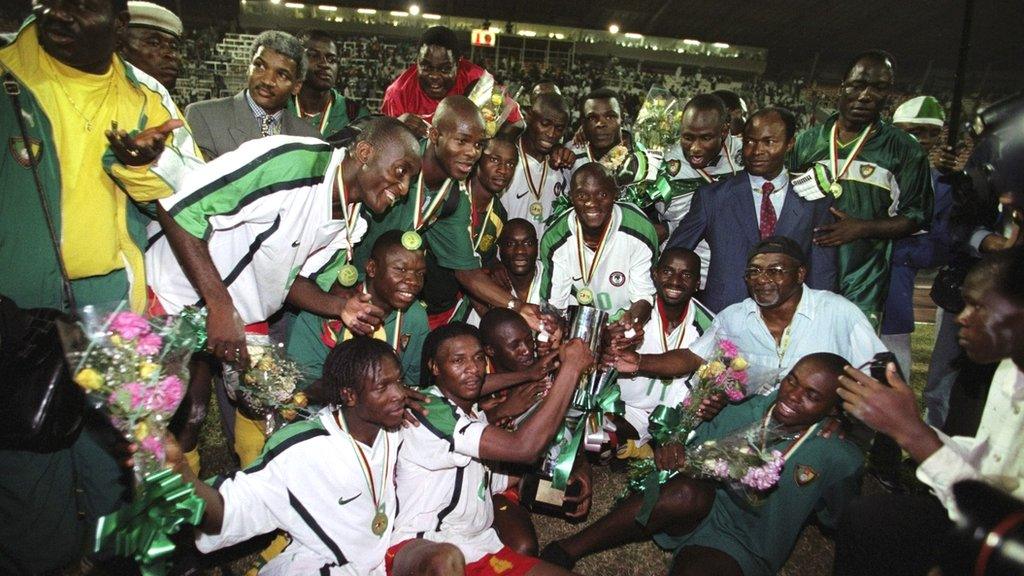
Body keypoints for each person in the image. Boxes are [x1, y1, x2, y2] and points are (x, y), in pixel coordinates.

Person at [0, 0, 200, 571]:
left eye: (80, 3)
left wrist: (143, 164)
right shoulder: (7, 76)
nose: (57, 11)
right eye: (50, 0)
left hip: (115, 305)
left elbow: (185, 199)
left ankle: (116, 562)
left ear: (116, 27)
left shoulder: (146, 98)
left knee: (123, 458)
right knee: (25, 462)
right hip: (14, 311)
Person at [147, 117, 420, 467]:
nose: (403, 187)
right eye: (400, 172)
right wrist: (219, 305)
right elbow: (178, 207)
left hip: (240, 314)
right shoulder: (291, 161)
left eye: (410, 179)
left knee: (268, 401)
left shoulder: (354, 223)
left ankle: (250, 497)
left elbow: (292, 285)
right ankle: (166, 504)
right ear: (365, 152)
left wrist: (340, 307)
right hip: (173, 293)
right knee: (164, 416)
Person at [541, 353, 863, 576]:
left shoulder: (836, 456)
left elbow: (837, 518)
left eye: (812, 395)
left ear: (834, 409)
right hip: (706, 507)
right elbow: (691, 452)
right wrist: (674, 451)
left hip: (745, 544)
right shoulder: (743, 408)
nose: (792, 396)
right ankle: (569, 548)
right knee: (683, 492)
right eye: (792, 381)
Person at [166, 337, 465, 576]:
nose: (398, 393)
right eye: (382, 387)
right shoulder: (302, 448)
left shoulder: (396, 424)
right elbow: (228, 508)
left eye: (399, 382)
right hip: (324, 564)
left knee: (446, 560)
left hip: (384, 554)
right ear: (349, 395)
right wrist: (183, 475)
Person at [834, 246, 1024, 576]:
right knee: (867, 517)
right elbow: (991, 467)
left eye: (978, 305)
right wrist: (905, 423)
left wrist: (912, 433)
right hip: (986, 512)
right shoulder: (1009, 370)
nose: (961, 317)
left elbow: (1006, 520)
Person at [391, 322, 594, 575]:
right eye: (458, 360)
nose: (473, 369)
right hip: (422, 546)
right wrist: (571, 370)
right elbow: (523, 448)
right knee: (446, 560)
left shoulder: (473, 416)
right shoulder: (430, 409)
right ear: (434, 367)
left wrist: (561, 485)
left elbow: (496, 482)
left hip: (480, 549)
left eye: (478, 358)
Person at [351, 95, 551, 333]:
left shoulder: (453, 200)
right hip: (334, 280)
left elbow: (466, 271)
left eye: (478, 145)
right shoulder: (396, 162)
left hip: (377, 296)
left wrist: (517, 307)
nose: (471, 153)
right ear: (435, 136)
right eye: (462, 141)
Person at [608, 237, 885, 395]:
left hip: (817, 425)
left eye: (775, 270)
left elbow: (880, 374)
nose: (762, 279)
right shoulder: (735, 318)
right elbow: (692, 357)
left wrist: (844, 421)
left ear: (800, 274)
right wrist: (639, 362)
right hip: (753, 422)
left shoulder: (838, 312)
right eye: (754, 271)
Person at [788, 50, 933, 327]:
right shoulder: (807, 142)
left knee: (851, 362)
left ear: (889, 94)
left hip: (865, 279)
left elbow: (918, 215)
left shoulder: (904, 149)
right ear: (842, 86)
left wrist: (862, 228)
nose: (865, 96)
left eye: (878, 88)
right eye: (857, 85)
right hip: (809, 274)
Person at [668, 107, 837, 313]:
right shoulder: (712, 197)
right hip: (724, 315)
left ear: (790, 144)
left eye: (769, 142)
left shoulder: (813, 199)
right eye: (749, 142)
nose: (756, 151)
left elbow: (823, 271)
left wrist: (818, 316)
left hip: (790, 318)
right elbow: (674, 255)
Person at [477, 308, 592, 556]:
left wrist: (582, 466)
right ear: (490, 351)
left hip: (524, 478)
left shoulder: (542, 372)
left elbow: (569, 424)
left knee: (572, 495)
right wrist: (503, 411)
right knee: (523, 546)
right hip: (485, 483)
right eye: (515, 345)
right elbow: (460, 433)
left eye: (528, 340)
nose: (527, 350)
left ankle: (531, 492)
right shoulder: (476, 382)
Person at [287, 229, 430, 390]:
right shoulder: (324, 308)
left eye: (420, 273)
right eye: (400, 270)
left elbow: (413, 380)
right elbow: (302, 384)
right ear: (371, 268)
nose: (413, 281)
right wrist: (362, 395)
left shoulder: (415, 316)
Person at [881, 95, 955, 382]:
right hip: (853, 278)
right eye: (915, 131)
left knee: (892, 361)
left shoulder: (943, 183)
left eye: (932, 132)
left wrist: (893, 245)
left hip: (896, 284)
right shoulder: (873, 167)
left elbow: (936, 248)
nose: (924, 140)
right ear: (896, 129)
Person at [537, 163, 658, 335]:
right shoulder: (555, 238)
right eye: (582, 195)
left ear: (615, 194)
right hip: (577, 324)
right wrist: (552, 334)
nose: (592, 203)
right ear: (571, 197)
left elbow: (644, 295)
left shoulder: (640, 230)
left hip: (623, 320)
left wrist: (631, 322)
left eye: (602, 194)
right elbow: (556, 304)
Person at [612, 248, 715, 447]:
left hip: (674, 416)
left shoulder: (709, 324)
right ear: (655, 274)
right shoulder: (632, 313)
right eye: (667, 272)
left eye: (686, 275)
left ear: (697, 284)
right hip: (627, 408)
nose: (675, 281)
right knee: (598, 439)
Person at [185, 29, 319, 161]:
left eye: (282, 75)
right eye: (260, 66)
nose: (267, 81)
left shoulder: (310, 138)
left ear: (297, 87)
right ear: (249, 67)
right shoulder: (203, 116)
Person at [424, 136, 514, 326]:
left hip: (452, 308)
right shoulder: (450, 196)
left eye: (510, 164)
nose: (503, 170)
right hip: (416, 302)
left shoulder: (499, 215)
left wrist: (495, 262)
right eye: (494, 160)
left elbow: (481, 258)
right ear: (478, 160)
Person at [380, 25, 523, 136]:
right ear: (416, 61)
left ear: (459, 63)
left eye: (445, 69)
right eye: (426, 67)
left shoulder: (478, 81)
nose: (434, 76)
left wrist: (491, 131)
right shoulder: (397, 93)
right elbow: (381, 144)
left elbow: (518, 124)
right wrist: (396, 128)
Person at [658, 94, 743, 252]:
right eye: (688, 137)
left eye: (706, 138)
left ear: (724, 131)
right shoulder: (664, 162)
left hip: (731, 260)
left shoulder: (745, 156)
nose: (695, 148)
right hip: (680, 264)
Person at [500, 92, 570, 237]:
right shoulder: (505, 159)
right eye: (545, 124)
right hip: (501, 257)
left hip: (544, 257)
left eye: (559, 128)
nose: (551, 133)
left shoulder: (561, 164)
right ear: (529, 116)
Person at [287, 29, 369, 138]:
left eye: (332, 60)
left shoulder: (355, 115)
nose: (325, 64)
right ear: (296, 61)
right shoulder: (278, 107)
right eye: (314, 56)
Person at [118, 0, 181, 90]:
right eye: (154, 43)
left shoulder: (166, 103)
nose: (171, 55)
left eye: (174, 47)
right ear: (120, 48)